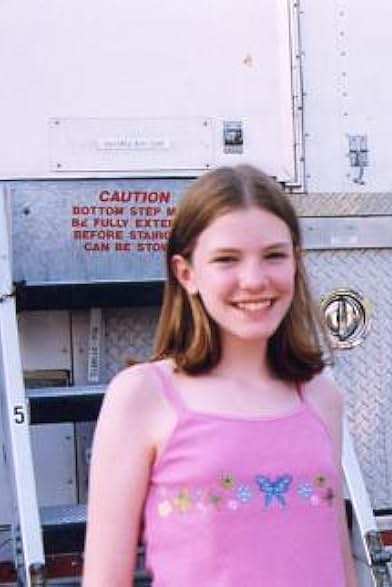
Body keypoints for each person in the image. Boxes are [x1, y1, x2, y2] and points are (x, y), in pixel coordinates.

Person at [83, 165, 358, 587]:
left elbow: (339, 562)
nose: (254, 280)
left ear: (296, 262)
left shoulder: (322, 397)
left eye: (274, 256)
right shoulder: (142, 396)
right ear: (186, 273)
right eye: (226, 259)